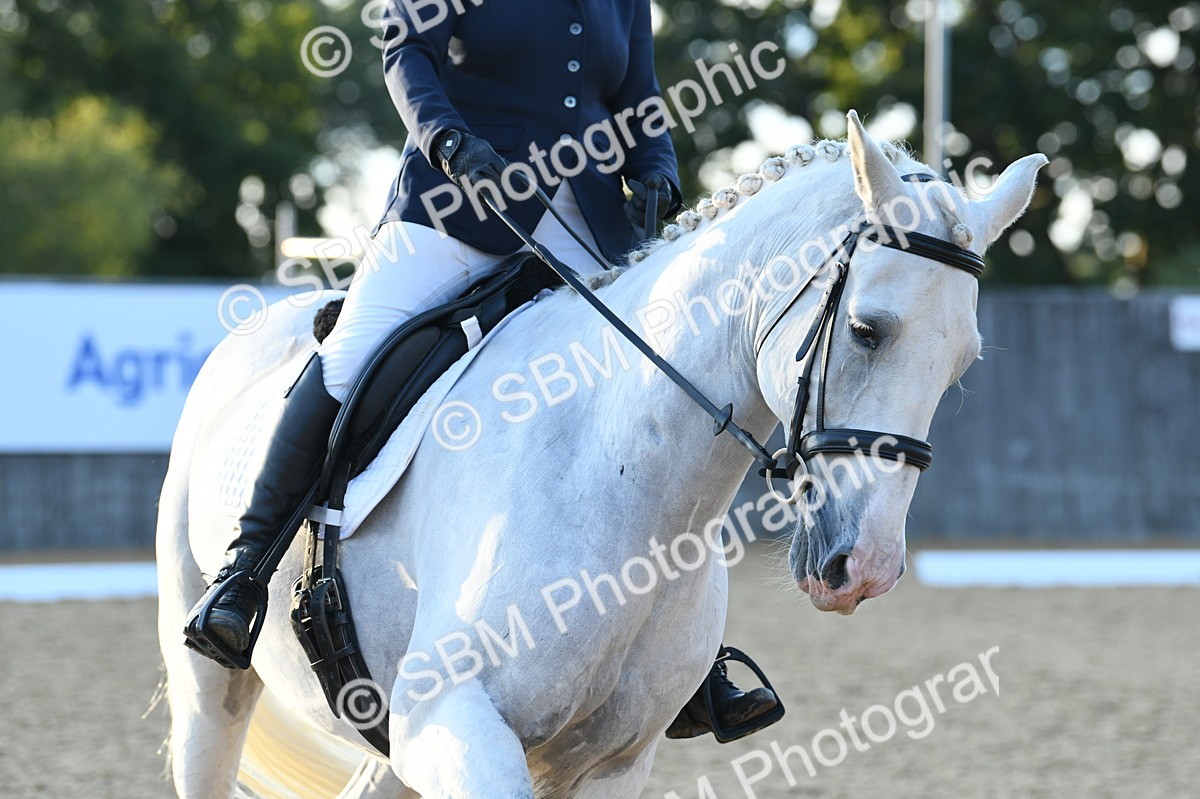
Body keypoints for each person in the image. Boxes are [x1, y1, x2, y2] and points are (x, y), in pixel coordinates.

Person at [185, 0, 779, 741]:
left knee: (661, 389)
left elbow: (639, 95)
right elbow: (407, 51)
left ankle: (683, 655)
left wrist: (656, 168)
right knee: (352, 355)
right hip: (457, 206)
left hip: (588, 221)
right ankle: (244, 571)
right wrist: (447, 140)